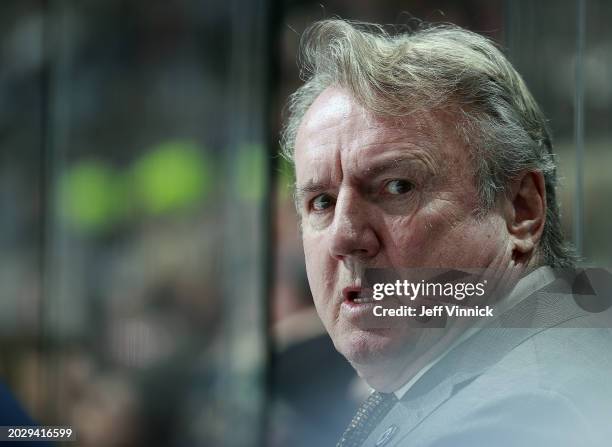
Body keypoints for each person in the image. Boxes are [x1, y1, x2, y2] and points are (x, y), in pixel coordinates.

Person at [281, 19, 612, 447]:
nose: (344, 236)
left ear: (521, 211)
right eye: (321, 202)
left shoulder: (524, 412)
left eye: (397, 187)